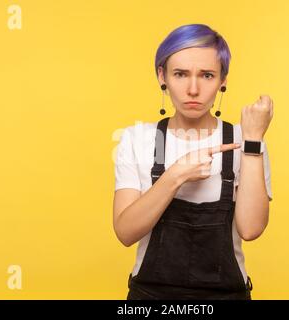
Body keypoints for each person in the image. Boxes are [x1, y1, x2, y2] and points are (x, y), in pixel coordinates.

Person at [113, 23, 274, 300]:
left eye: (207, 75)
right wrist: (176, 175)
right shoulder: (137, 138)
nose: (193, 89)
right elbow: (126, 232)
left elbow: (250, 229)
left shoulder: (244, 139)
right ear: (162, 76)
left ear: (223, 79)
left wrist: (253, 141)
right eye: (180, 74)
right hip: (151, 297)